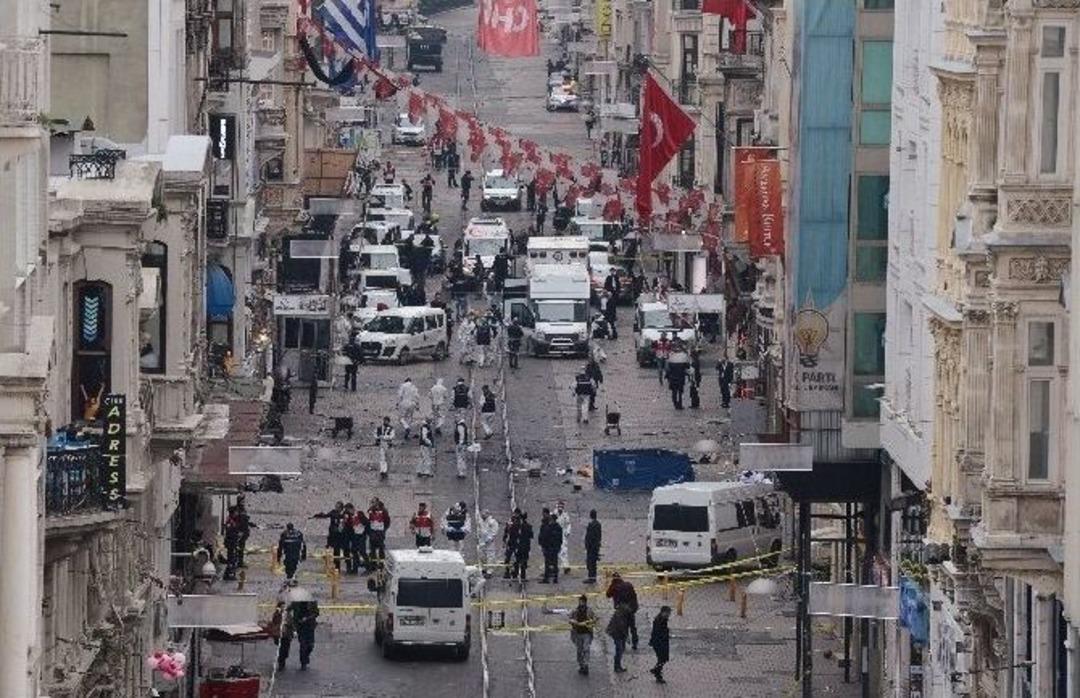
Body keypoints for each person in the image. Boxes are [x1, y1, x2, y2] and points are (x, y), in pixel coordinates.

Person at [277, 580, 319, 671]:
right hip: (297, 624)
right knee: (298, 644)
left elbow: (316, 613)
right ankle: (297, 662)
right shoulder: (287, 596)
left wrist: (306, 618)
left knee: (310, 645)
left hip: (309, 624)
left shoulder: (310, 600)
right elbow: (285, 606)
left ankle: (305, 659)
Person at [606, 572, 640, 649]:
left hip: (621, 611)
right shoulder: (628, 585)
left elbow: (608, 594)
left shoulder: (614, 587)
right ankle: (635, 643)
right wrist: (635, 607)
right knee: (632, 627)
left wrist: (611, 584)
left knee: (623, 627)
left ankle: (623, 644)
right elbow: (634, 596)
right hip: (631, 609)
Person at [310, 501, 347, 571]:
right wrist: (318, 515)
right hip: (332, 534)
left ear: (341, 508)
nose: (337, 508)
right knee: (330, 548)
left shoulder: (344, 515)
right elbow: (326, 515)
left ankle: (338, 566)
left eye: (338, 507)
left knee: (337, 551)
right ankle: (330, 565)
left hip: (339, 535)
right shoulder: (333, 512)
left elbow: (345, 523)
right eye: (336, 506)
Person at [569, 594, 598, 675]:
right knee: (579, 650)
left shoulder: (589, 610)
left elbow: (595, 618)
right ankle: (581, 664)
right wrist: (573, 621)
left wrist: (590, 622)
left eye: (582, 601)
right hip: (577, 633)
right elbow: (570, 619)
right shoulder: (575, 611)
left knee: (586, 649)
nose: (581, 603)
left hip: (586, 633)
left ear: (585, 602)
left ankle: (586, 665)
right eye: (580, 601)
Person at [606, 601, 633, 673]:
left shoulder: (624, 613)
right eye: (627, 605)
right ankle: (616, 667)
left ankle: (618, 666)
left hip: (619, 633)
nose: (628, 607)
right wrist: (627, 636)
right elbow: (621, 626)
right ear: (624, 605)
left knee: (620, 650)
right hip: (616, 633)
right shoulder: (619, 613)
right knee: (619, 650)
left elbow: (625, 626)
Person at [538, 508, 563, 583]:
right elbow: (560, 539)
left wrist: (543, 545)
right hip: (554, 548)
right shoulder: (558, 527)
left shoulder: (549, 527)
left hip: (549, 548)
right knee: (555, 563)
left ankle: (547, 578)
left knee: (548, 563)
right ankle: (555, 578)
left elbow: (545, 537)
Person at [648, 606, 672, 683]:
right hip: (660, 643)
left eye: (669, 613)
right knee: (662, 659)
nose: (669, 614)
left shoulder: (662, 619)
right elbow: (657, 632)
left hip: (661, 642)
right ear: (663, 612)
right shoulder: (660, 620)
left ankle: (656, 669)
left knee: (662, 659)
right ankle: (657, 674)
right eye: (667, 612)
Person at [343, 503, 369, 574]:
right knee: (354, 551)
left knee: (362, 551)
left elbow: (367, 522)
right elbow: (348, 526)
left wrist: (365, 532)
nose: (348, 511)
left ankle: (368, 567)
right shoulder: (349, 517)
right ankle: (355, 569)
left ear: (352, 509)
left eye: (348, 510)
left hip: (361, 535)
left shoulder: (359, 514)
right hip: (355, 535)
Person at [367, 498, 390, 566]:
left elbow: (387, 521)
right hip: (373, 531)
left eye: (373, 502)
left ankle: (381, 563)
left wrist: (383, 529)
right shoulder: (371, 510)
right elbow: (369, 519)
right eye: (372, 502)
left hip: (380, 531)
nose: (372, 503)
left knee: (381, 547)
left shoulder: (383, 510)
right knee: (372, 547)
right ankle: (373, 563)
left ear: (377, 502)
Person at [512, 512, 534, 581]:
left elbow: (513, 536)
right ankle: (523, 575)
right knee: (524, 561)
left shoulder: (516, 526)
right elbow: (531, 536)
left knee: (517, 560)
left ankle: (515, 574)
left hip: (518, 546)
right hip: (526, 546)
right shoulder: (529, 526)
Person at [477, 510, 500, 576]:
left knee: (490, 557)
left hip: (489, 543)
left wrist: (488, 540)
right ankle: (484, 568)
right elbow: (479, 529)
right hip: (482, 541)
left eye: (484, 514)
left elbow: (494, 533)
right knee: (481, 555)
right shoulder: (481, 521)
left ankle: (489, 571)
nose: (482, 516)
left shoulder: (492, 522)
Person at [223, 506, 242, 580]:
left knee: (233, 558)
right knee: (231, 559)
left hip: (232, 542)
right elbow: (230, 532)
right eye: (236, 512)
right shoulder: (230, 521)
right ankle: (228, 574)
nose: (237, 513)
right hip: (231, 543)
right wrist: (237, 535)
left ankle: (230, 573)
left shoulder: (233, 520)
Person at [502, 509, 522, 579]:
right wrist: (504, 539)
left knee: (517, 558)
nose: (515, 515)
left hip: (517, 541)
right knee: (507, 557)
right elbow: (506, 530)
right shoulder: (511, 520)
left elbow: (520, 531)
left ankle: (516, 572)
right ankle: (507, 571)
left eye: (516, 514)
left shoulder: (520, 521)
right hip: (510, 541)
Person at [584, 509, 602, 583]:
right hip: (596, 546)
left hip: (591, 547)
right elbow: (599, 536)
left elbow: (589, 537)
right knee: (594, 563)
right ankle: (593, 577)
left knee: (590, 562)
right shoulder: (598, 524)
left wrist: (587, 545)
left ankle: (591, 577)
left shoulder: (591, 525)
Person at [555, 501, 572, 575]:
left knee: (564, 551)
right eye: (559, 506)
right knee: (555, 551)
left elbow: (568, 524)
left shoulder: (565, 515)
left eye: (561, 507)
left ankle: (566, 566)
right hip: (555, 534)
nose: (560, 508)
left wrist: (567, 532)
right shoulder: (554, 514)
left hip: (562, 534)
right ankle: (554, 566)